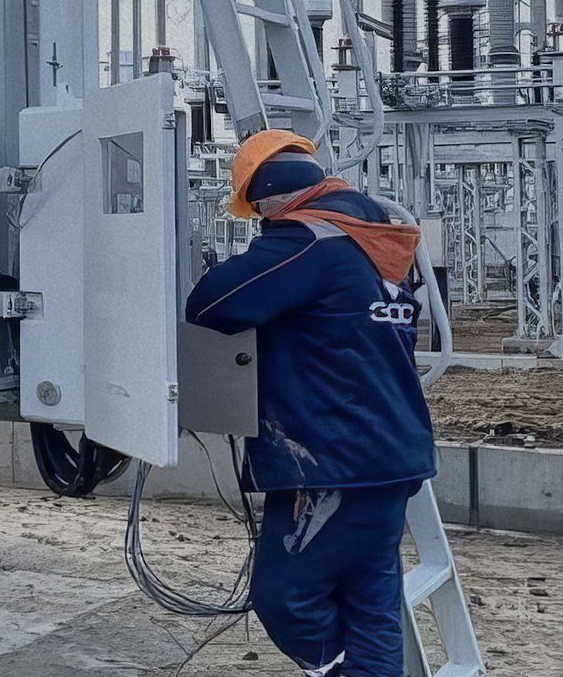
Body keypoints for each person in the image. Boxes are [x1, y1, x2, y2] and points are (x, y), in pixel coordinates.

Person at [186, 129, 436, 677]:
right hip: (393, 452)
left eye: (257, 212)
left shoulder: (307, 241)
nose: (259, 221)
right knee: (370, 602)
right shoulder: (375, 240)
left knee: (285, 594)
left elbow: (209, 304)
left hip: (333, 462)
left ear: (269, 199)